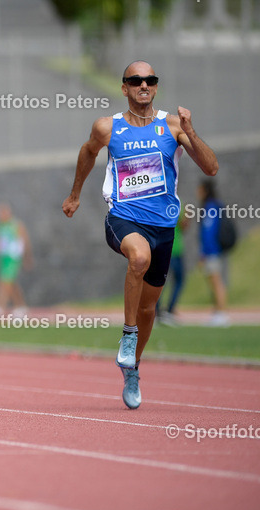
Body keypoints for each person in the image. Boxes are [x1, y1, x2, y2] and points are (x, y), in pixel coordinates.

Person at [62, 61, 218, 409]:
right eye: (135, 80)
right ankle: (128, 336)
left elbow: (211, 167)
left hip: (163, 227)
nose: (143, 85)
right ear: (124, 88)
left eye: (149, 80)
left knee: (149, 308)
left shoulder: (172, 125)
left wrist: (191, 132)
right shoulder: (108, 128)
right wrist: (75, 194)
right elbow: (87, 153)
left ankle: (132, 367)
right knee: (139, 257)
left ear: (156, 87)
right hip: (123, 220)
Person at [0, 202, 32, 318]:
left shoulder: (16, 225)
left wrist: (27, 257)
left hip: (13, 257)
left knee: (5, 281)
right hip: (3, 258)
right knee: (11, 283)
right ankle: (21, 305)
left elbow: (25, 241)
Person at [197, 180, 230, 327]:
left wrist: (205, 252)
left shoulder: (210, 206)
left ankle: (221, 313)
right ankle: (218, 311)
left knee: (216, 282)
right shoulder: (216, 204)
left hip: (213, 251)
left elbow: (209, 231)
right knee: (216, 281)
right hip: (216, 250)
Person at [156, 208, 187, 325]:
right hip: (174, 248)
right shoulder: (177, 203)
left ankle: (158, 311)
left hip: (162, 247)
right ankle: (169, 310)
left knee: (159, 280)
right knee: (178, 280)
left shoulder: (158, 202)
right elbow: (184, 226)